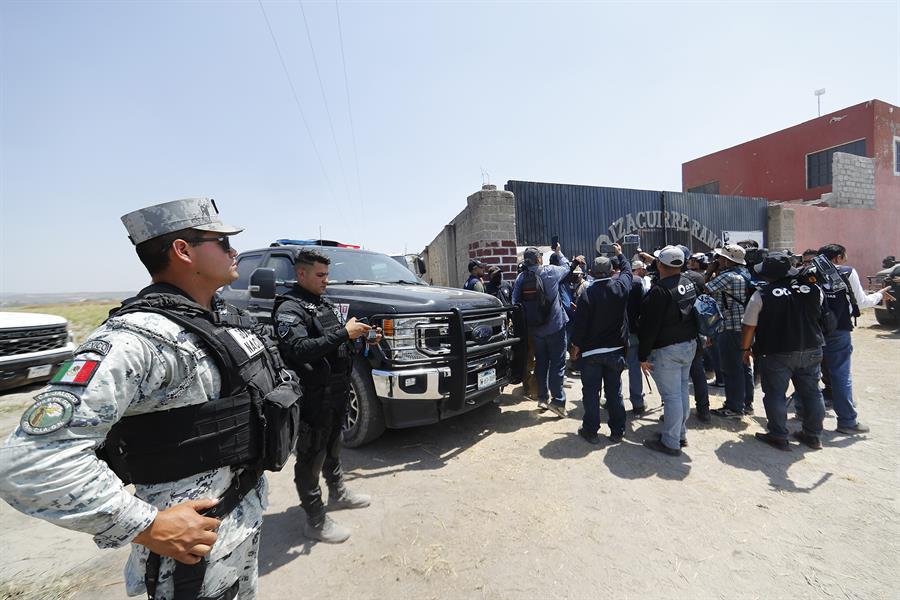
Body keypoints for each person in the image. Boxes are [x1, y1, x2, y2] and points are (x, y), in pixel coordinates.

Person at [0, 198, 301, 600]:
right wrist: (147, 526)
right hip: (188, 555)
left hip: (237, 528)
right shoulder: (135, 340)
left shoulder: (219, 317)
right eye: (222, 241)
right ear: (182, 250)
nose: (234, 252)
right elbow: (31, 462)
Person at [273, 248, 378, 543]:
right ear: (301, 273)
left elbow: (334, 346)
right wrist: (345, 333)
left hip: (336, 393)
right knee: (311, 456)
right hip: (313, 398)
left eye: (327, 275)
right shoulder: (289, 309)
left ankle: (338, 492)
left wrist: (361, 338)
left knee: (334, 445)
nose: (326, 281)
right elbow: (301, 349)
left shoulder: (323, 304)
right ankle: (315, 519)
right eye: (320, 275)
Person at [740, 252, 826, 450]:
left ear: (767, 275)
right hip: (812, 347)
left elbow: (749, 327)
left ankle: (779, 435)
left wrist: (744, 349)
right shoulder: (814, 289)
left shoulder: (761, 295)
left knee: (775, 394)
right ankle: (813, 435)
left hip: (776, 351)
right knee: (812, 393)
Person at [816, 244, 895, 434]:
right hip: (839, 330)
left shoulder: (808, 272)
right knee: (840, 375)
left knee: (809, 374)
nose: (846, 260)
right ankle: (847, 422)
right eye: (844, 256)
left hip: (813, 331)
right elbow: (861, 302)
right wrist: (879, 294)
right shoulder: (847, 272)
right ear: (837, 258)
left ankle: (805, 413)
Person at [638, 246, 699, 456]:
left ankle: (671, 442)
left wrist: (642, 355)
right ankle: (679, 434)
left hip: (668, 349)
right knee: (681, 391)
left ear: (660, 265)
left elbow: (649, 328)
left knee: (672, 396)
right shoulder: (688, 282)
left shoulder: (659, 291)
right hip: (689, 345)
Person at [569, 245, 632, 444]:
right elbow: (628, 271)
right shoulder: (621, 287)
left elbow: (580, 326)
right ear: (612, 271)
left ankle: (591, 430)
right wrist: (620, 254)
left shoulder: (586, 294)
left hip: (591, 354)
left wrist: (575, 347)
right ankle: (617, 431)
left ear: (591, 273)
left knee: (591, 394)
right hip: (615, 351)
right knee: (614, 393)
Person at [512, 246, 583, 417]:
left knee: (542, 363)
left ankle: (542, 398)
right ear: (538, 259)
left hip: (535, 331)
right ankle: (558, 401)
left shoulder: (521, 278)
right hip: (555, 328)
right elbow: (567, 267)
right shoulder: (550, 272)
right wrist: (558, 252)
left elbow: (515, 301)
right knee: (557, 365)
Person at [704, 244, 755, 418]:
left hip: (730, 328)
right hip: (744, 326)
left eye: (720, 258)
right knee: (743, 366)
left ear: (727, 260)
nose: (717, 260)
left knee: (731, 369)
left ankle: (734, 407)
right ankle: (746, 404)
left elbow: (704, 287)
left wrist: (710, 270)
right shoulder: (745, 274)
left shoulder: (727, 276)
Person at [625, 260, 647, 416]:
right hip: (633, 332)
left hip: (614, 334)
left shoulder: (611, 281)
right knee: (634, 368)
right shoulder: (638, 283)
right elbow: (644, 308)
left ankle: (612, 398)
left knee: (613, 370)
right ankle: (638, 403)